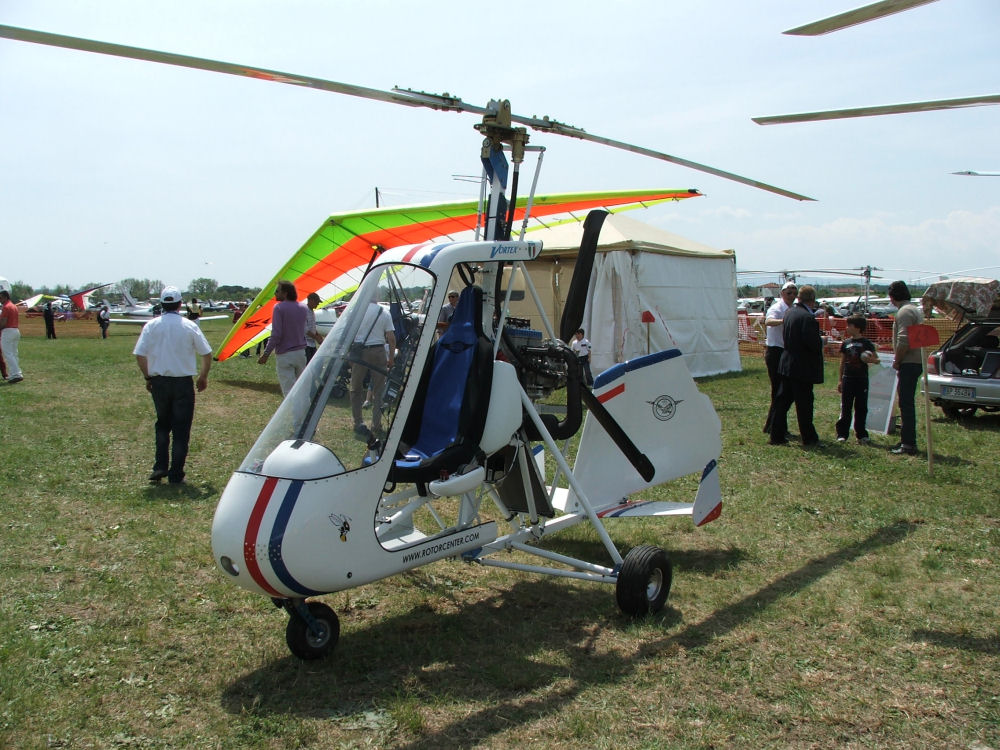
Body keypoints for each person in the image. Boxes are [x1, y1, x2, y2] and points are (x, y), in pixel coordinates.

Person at [133, 285, 213, 484]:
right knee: (181, 429)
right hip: (182, 383)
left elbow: (140, 354)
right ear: (180, 304)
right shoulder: (189, 326)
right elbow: (206, 353)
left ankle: (160, 466)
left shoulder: (151, 326)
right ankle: (176, 473)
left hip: (159, 381)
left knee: (162, 424)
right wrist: (203, 377)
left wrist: (148, 377)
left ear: (162, 304)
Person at [769, 284, 824, 446]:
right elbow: (812, 344)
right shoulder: (807, 318)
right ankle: (809, 438)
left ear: (799, 298)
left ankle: (776, 435)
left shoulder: (789, 313)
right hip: (802, 366)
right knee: (804, 403)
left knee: (783, 401)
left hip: (787, 363)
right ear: (812, 301)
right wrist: (822, 341)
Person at [888, 280, 923, 455]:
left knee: (906, 403)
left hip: (909, 362)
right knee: (906, 402)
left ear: (892, 296)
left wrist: (897, 360)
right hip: (916, 361)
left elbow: (904, 340)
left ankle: (908, 443)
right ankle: (906, 439)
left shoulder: (904, 312)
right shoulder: (914, 309)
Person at [350, 300, 396, 436]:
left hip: (360, 351)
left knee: (355, 388)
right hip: (378, 351)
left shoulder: (356, 311)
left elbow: (348, 332)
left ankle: (358, 421)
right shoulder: (384, 312)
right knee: (379, 389)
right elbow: (391, 338)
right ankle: (376, 424)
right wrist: (391, 358)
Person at [258, 280, 308, 396]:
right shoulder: (303, 307)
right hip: (301, 353)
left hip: (285, 355)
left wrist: (266, 354)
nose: (275, 293)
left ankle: (294, 409)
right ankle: (305, 407)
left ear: (285, 293)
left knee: (288, 391)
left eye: (277, 291)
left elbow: (276, 334)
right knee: (301, 388)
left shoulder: (279, 307)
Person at [835, 315, 878, 444]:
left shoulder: (867, 343)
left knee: (861, 407)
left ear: (858, 328)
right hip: (848, 378)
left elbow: (877, 359)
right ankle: (842, 434)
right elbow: (842, 362)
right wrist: (840, 380)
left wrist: (870, 359)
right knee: (846, 407)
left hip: (861, 379)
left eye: (849, 325)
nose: (847, 328)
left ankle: (861, 434)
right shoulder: (846, 343)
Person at [763, 281, 797, 434]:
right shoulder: (777, 308)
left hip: (786, 351)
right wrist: (784, 320)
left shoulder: (793, 309)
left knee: (784, 391)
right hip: (775, 352)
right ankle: (776, 426)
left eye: (794, 293)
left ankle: (772, 425)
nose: (792, 296)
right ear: (782, 294)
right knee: (779, 390)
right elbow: (768, 321)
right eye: (789, 293)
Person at [0, 290, 23, 383]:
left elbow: (3, 322)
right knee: (14, 353)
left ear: (5, 297)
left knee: (8, 354)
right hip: (15, 330)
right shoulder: (13, 306)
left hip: (8, 331)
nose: (0, 299)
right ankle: (15, 373)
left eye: (0, 297)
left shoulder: (6, 307)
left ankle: (16, 374)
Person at [303, 292, 324, 362]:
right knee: (308, 362)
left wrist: (318, 334)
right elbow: (305, 329)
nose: (318, 304)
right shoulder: (304, 311)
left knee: (314, 362)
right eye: (317, 302)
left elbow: (312, 326)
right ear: (311, 300)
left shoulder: (312, 311)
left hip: (312, 343)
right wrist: (316, 338)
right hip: (305, 344)